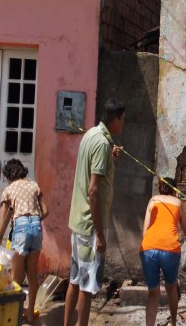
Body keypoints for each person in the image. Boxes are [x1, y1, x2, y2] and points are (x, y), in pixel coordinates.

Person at [64, 98, 125, 326]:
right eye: (123, 120)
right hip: (91, 226)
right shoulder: (101, 143)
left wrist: (110, 158)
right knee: (87, 287)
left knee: (74, 280)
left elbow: (95, 171)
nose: (123, 124)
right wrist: (99, 234)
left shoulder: (92, 135)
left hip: (79, 221)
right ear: (115, 119)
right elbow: (93, 190)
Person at [0, 159, 48, 323]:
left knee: (15, 278)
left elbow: (3, 222)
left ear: (9, 176)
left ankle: (13, 316)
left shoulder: (9, 190)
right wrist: (32, 220)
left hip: (21, 229)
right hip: (37, 229)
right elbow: (45, 211)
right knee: (32, 275)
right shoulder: (34, 185)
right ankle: (30, 314)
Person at [141, 177, 186, 326]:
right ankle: (173, 323)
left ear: (160, 189)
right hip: (170, 249)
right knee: (171, 288)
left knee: (153, 293)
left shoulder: (153, 201)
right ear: (175, 190)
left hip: (148, 248)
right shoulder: (178, 203)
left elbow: (145, 232)